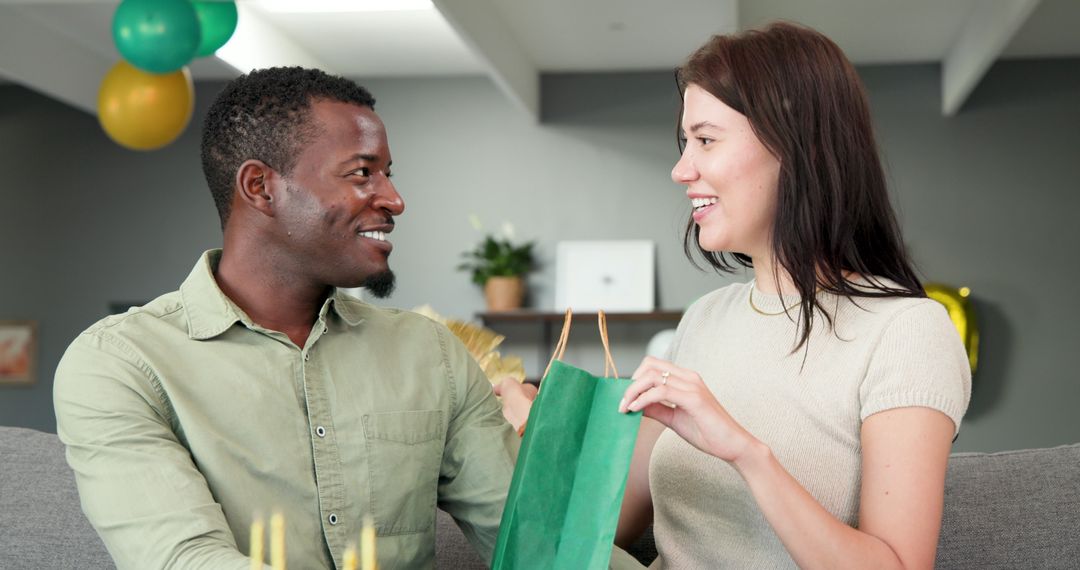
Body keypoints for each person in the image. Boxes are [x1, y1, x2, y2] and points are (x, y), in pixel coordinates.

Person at [501, 22, 971, 568]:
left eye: (705, 140)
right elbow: (597, 534)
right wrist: (540, 437)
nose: (681, 170)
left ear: (795, 145)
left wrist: (744, 452)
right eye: (686, 143)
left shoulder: (906, 332)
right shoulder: (704, 320)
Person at [53, 67, 518, 569]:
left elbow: (539, 545)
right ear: (260, 187)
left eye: (388, 173)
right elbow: (186, 561)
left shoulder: (432, 354)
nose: (394, 200)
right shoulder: (120, 364)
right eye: (362, 173)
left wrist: (569, 441)